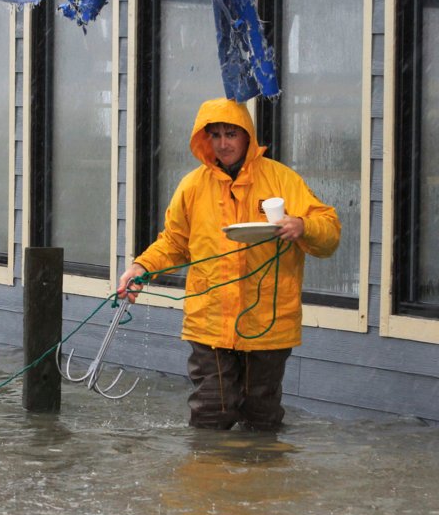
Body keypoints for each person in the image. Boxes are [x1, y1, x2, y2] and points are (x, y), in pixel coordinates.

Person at [117, 97, 340, 430]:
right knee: (211, 410)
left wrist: (303, 226)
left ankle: (258, 480)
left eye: (231, 134)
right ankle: (209, 479)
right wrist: (140, 267)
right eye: (216, 135)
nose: (223, 143)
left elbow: (330, 233)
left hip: (269, 324)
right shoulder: (192, 187)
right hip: (209, 322)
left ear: (246, 136)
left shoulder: (282, 180)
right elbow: (175, 243)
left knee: (261, 415)